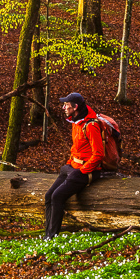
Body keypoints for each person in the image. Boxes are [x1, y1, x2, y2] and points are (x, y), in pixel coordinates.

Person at [44, 92, 107, 238]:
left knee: (57, 196)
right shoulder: (76, 122)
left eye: (66, 105)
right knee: (49, 195)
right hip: (72, 167)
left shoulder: (91, 126)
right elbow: (76, 148)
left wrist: (83, 170)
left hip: (86, 170)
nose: (63, 107)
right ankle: (47, 234)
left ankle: (52, 237)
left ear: (75, 107)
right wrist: (69, 163)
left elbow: (98, 154)